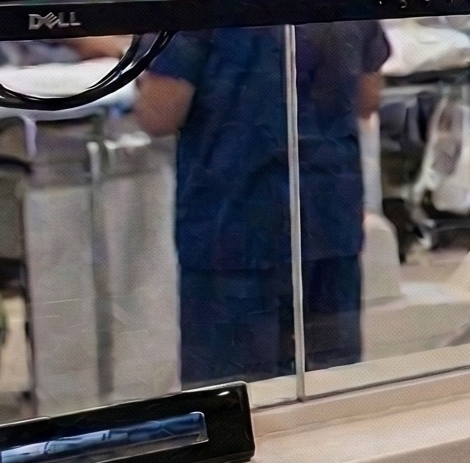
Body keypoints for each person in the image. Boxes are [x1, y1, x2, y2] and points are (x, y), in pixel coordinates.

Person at [131, 21, 389, 385]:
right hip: (326, 221)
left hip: (234, 229)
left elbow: (159, 113)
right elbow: (368, 98)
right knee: (330, 395)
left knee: (236, 402)